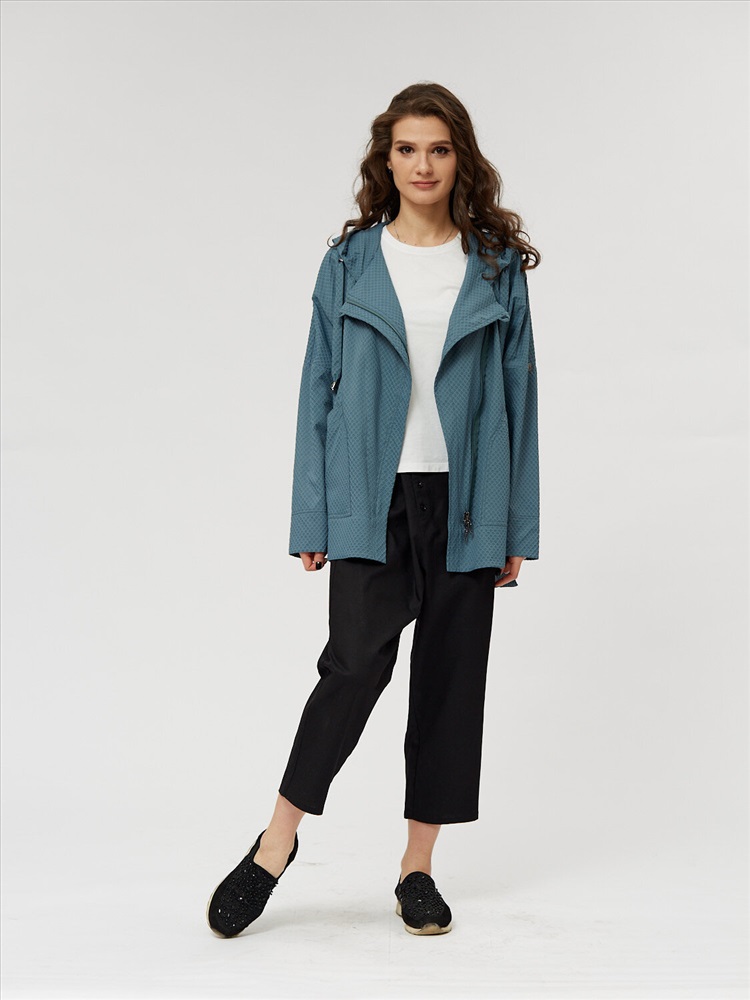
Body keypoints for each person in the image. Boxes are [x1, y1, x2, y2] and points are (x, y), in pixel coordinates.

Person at [206, 81, 541, 938]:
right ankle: (275, 844)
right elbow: (315, 393)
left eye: (438, 149)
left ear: (460, 159)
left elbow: (520, 395)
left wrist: (518, 525)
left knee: (450, 682)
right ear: (385, 161)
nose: (423, 165)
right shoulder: (350, 263)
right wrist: (312, 517)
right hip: (371, 495)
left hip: (469, 502)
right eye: (407, 149)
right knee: (353, 668)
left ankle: (417, 869)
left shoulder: (494, 265)